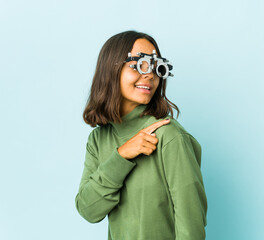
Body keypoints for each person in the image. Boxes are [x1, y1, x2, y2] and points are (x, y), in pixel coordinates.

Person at [75, 30, 208, 240]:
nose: (149, 74)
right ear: (111, 69)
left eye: (156, 67)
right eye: (139, 63)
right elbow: (88, 209)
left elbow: (191, 226)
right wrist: (121, 156)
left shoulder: (168, 136)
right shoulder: (98, 140)